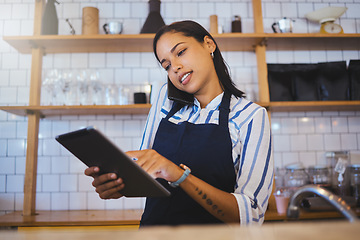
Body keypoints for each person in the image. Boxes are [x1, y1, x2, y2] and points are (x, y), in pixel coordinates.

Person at [85, 20, 273, 226]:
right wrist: (118, 184)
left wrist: (178, 175)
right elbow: (143, 172)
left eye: (181, 52)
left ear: (209, 44)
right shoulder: (164, 102)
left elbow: (251, 215)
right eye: (166, 65)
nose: (175, 67)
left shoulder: (250, 116)